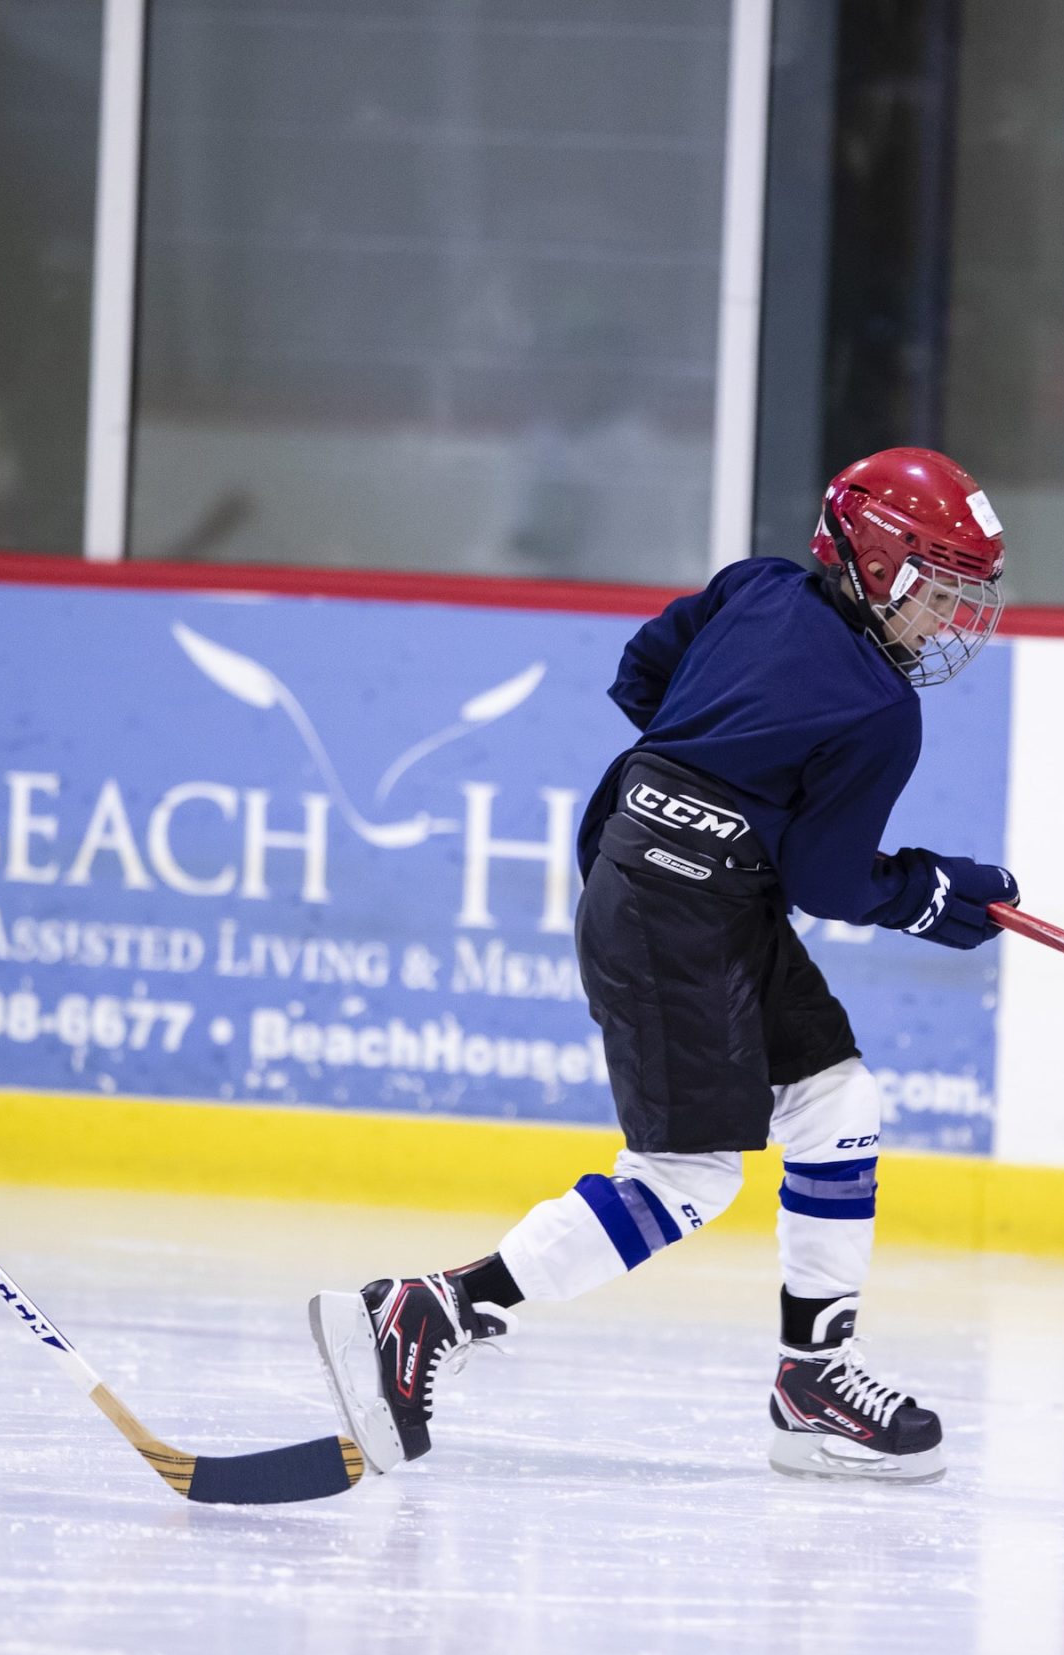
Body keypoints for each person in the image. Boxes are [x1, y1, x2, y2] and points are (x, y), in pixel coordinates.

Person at [311, 448, 1016, 1483]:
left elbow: (644, 676)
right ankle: (431, 1310)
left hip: (654, 875)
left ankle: (813, 1377)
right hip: (676, 914)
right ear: (874, 563)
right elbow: (829, 880)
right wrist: (936, 894)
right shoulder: (880, 709)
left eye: (967, 596)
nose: (952, 620)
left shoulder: (757, 587)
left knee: (833, 1100)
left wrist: (722, 783)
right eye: (937, 589)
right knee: (687, 1176)